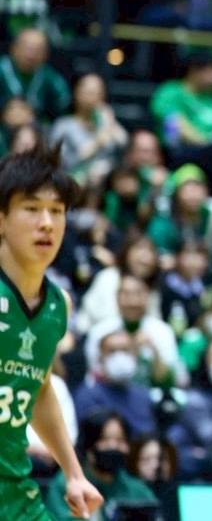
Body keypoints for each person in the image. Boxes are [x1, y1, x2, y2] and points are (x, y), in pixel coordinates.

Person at [0, 144, 102, 519]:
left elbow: (38, 388)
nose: (47, 223)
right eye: (31, 208)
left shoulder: (59, 305)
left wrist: (74, 473)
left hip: (15, 489)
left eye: (56, 211)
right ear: (1, 219)